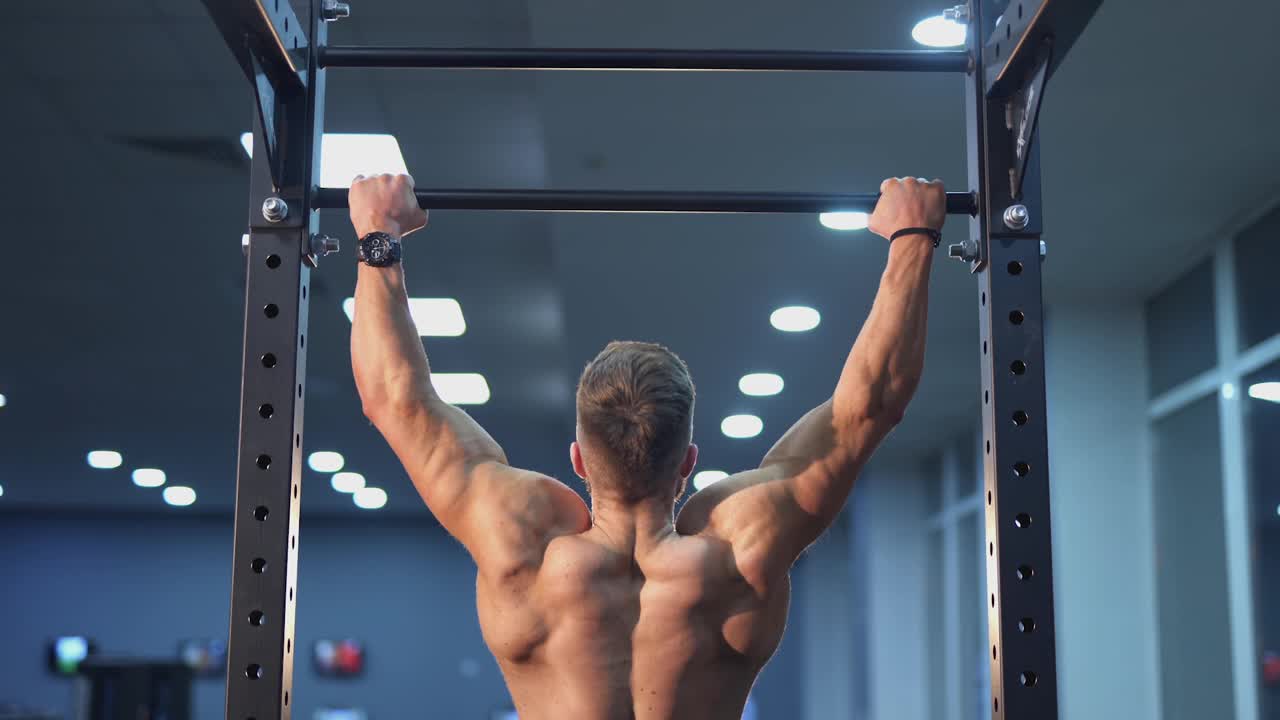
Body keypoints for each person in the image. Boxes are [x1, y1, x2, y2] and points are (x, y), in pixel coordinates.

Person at [347, 173, 945, 720]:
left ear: (578, 458)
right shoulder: (743, 550)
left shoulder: (518, 544)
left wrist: (380, 232)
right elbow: (871, 406)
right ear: (689, 462)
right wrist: (911, 236)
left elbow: (394, 401)